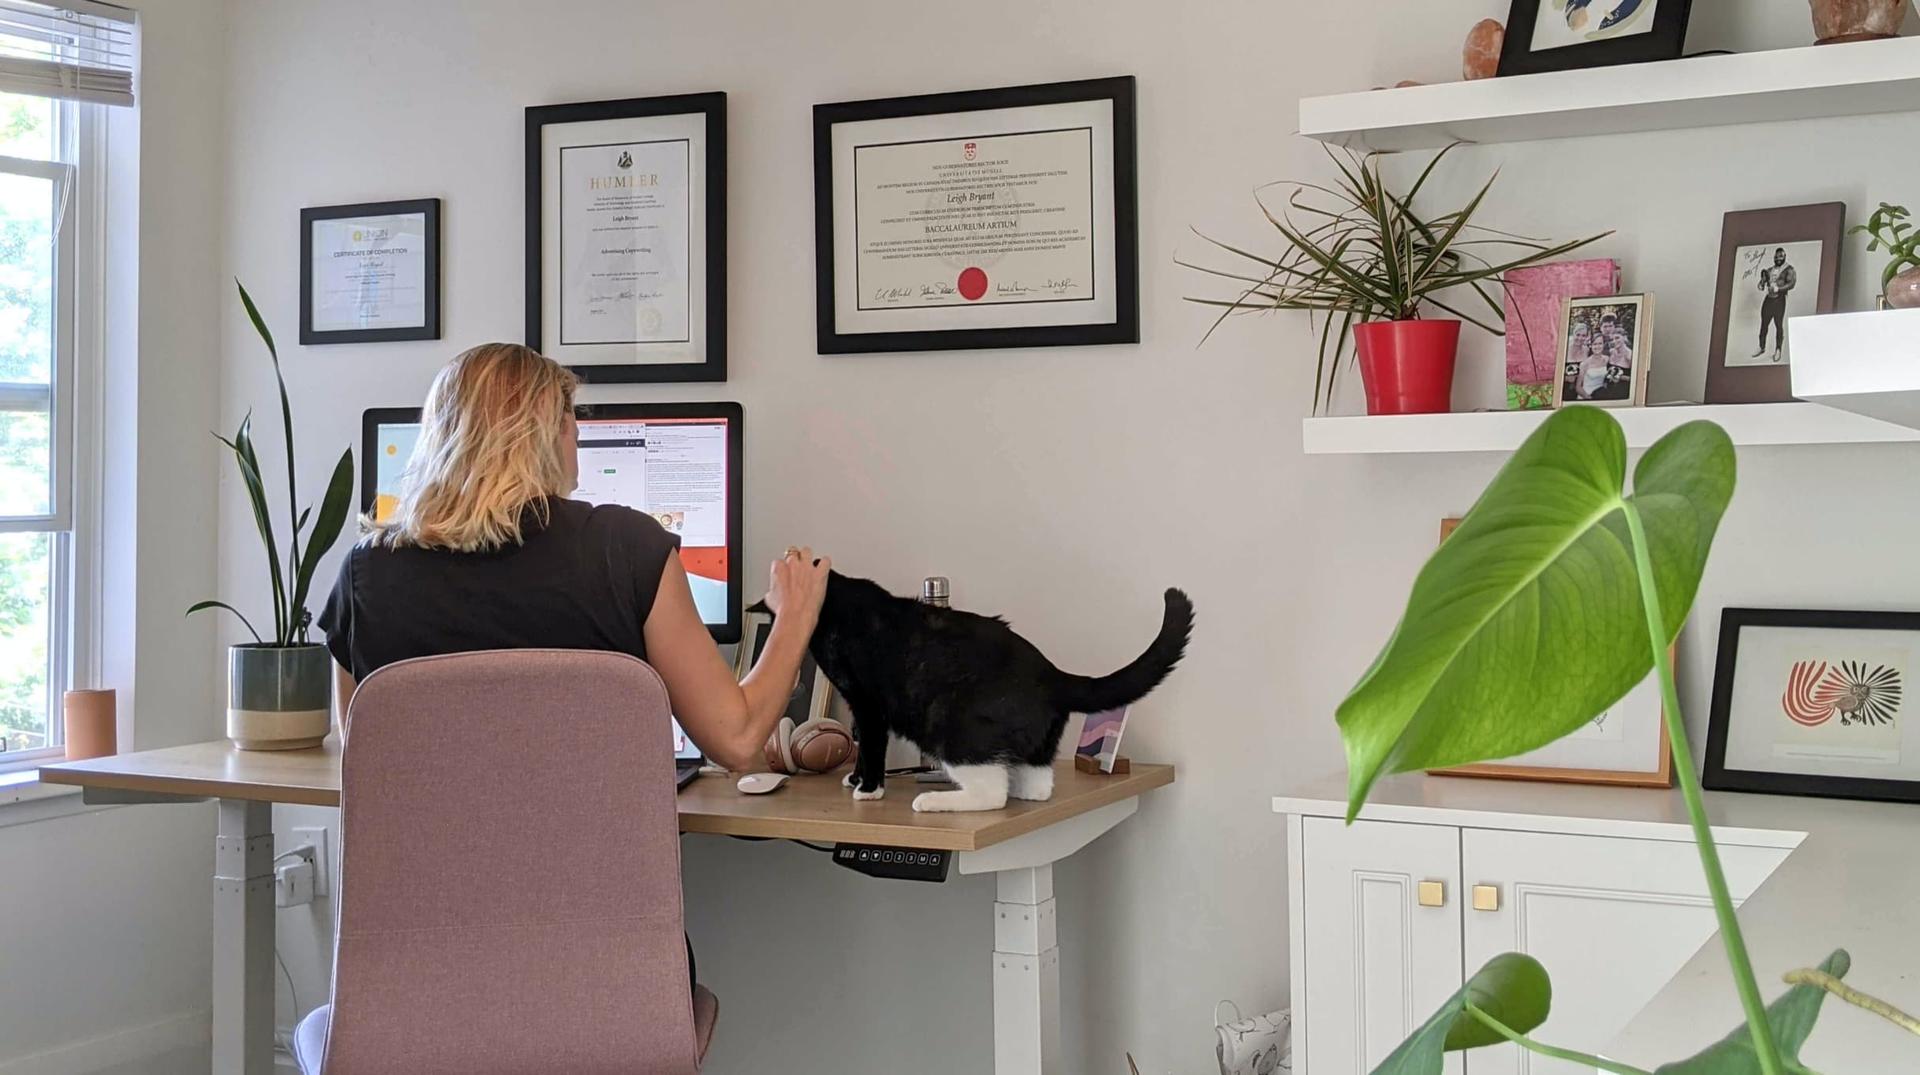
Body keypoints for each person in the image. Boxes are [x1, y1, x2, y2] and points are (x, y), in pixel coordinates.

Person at [318, 342, 829, 773]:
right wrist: (794, 615)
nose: (579, 440)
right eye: (573, 425)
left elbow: (362, 762)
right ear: (549, 434)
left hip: (422, 889)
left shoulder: (365, 574)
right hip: (596, 885)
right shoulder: (626, 547)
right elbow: (737, 740)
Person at [1755, 247, 1797, 363]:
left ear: (1784, 257)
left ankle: (1778, 349)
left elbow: (1791, 284)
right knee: (1764, 324)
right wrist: (1761, 284)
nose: (1778, 258)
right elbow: (1763, 281)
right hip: (1768, 299)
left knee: (1778, 325)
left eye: (1780, 256)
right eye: (1776, 256)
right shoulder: (1769, 270)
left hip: (1779, 300)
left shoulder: (1789, 269)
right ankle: (1761, 347)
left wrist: (1779, 288)